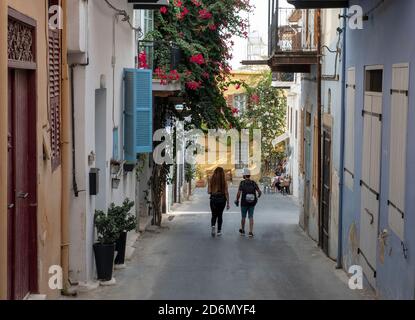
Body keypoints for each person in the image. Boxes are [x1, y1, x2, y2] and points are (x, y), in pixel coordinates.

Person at [235, 168, 262, 238]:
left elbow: (238, 193)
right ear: (249, 175)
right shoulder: (253, 182)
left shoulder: (242, 183)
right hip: (252, 203)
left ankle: (243, 230)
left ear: (244, 175)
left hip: (244, 202)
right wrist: (258, 196)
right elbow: (259, 192)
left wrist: (237, 200)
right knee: (251, 217)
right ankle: (250, 232)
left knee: (243, 217)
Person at [208, 167, 230, 237]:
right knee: (220, 215)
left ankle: (213, 226)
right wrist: (228, 203)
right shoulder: (224, 181)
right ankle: (219, 231)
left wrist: (209, 184)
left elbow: (209, 192)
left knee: (214, 215)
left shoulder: (211, 180)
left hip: (213, 199)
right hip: (222, 199)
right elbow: (226, 192)